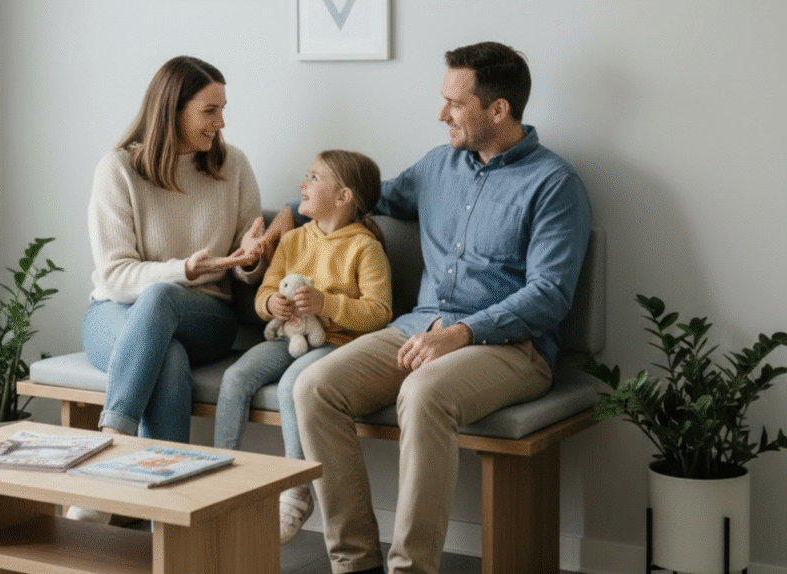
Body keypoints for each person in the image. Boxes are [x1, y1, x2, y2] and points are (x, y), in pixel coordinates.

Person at [292, 42, 593, 574]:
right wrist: (283, 222)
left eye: (455, 103)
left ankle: (412, 568)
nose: (441, 115)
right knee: (315, 387)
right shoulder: (437, 166)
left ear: (498, 110)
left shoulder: (554, 184)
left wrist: (461, 334)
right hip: (417, 327)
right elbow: (363, 197)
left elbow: (550, 294)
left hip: (509, 348)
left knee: (424, 392)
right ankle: (354, 562)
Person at [212, 150, 393, 544]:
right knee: (236, 377)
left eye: (313, 177)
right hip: (287, 334)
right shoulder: (293, 240)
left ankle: (296, 491)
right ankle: (218, 475)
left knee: (296, 384)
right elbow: (264, 292)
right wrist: (270, 304)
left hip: (337, 343)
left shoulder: (366, 248)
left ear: (344, 196)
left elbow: (379, 313)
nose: (302, 185)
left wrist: (328, 304)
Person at [82, 55, 265, 445]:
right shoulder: (117, 170)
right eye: (210, 111)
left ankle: (112, 441)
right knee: (167, 357)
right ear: (172, 111)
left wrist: (251, 258)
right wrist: (184, 269)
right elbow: (114, 277)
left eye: (223, 110)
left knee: (163, 296)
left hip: (206, 315)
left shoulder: (234, 166)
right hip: (113, 312)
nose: (221, 123)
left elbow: (241, 265)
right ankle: (159, 498)